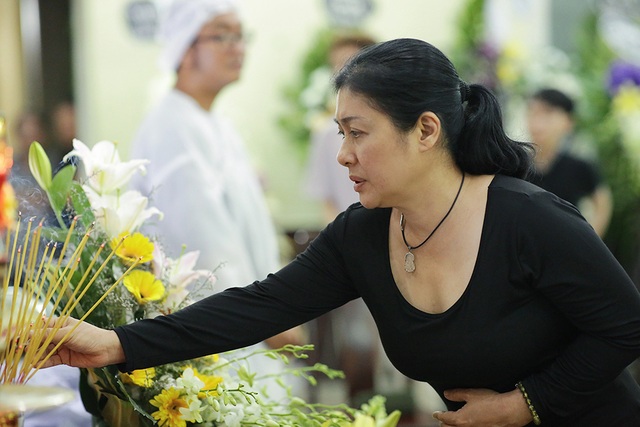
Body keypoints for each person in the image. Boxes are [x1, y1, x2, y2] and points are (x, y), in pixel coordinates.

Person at [43, 38, 640, 426]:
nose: (343, 156)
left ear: (426, 130)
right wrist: (117, 344)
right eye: (340, 133)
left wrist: (524, 406)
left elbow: (626, 324)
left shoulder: (529, 219)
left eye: (358, 133)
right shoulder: (363, 235)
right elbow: (259, 305)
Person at [128, 0, 304, 397]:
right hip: (219, 332)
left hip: (244, 319)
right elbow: (205, 245)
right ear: (184, 48)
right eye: (222, 35)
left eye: (241, 36)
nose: (237, 47)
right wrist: (267, 319)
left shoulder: (211, 123)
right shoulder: (174, 125)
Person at [526, 88, 612, 237]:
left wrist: (589, 241)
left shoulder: (578, 166)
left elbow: (602, 203)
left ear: (568, 122)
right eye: (533, 112)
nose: (538, 121)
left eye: (548, 113)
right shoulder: (514, 164)